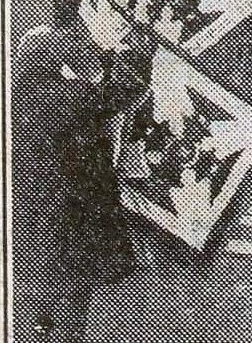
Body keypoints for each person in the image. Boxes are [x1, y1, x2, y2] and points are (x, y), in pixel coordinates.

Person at [11, 25, 148, 343]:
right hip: (74, 200)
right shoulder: (67, 94)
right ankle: (69, 334)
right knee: (78, 275)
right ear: (51, 57)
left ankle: (41, 325)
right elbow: (126, 93)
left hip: (31, 202)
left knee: (44, 269)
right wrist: (114, 56)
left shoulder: (14, 97)